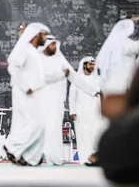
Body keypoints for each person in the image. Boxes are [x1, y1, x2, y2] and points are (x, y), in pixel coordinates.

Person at [98, 5, 139, 183]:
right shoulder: (123, 43)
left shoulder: (111, 46)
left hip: (117, 87)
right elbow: (138, 48)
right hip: (124, 87)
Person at [40, 37, 99, 166]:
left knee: (55, 130)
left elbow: (75, 79)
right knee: (45, 129)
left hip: (58, 102)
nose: (54, 47)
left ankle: (55, 157)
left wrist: (93, 91)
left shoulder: (61, 62)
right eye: (51, 45)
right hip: (44, 100)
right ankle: (42, 155)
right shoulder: (40, 61)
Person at [4, 22, 50, 166]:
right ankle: (12, 147)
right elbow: (13, 66)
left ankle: (27, 157)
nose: (46, 38)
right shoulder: (26, 50)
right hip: (25, 93)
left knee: (38, 126)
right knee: (37, 124)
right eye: (44, 35)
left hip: (37, 94)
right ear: (37, 35)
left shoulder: (35, 52)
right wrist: (25, 87)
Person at [69, 57, 103, 165]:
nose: (92, 67)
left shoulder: (99, 79)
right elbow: (72, 97)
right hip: (81, 113)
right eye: (90, 64)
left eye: (93, 65)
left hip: (96, 112)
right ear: (84, 65)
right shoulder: (77, 79)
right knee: (83, 136)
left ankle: (95, 158)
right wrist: (72, 112)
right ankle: (84, 159)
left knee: (96, 134)